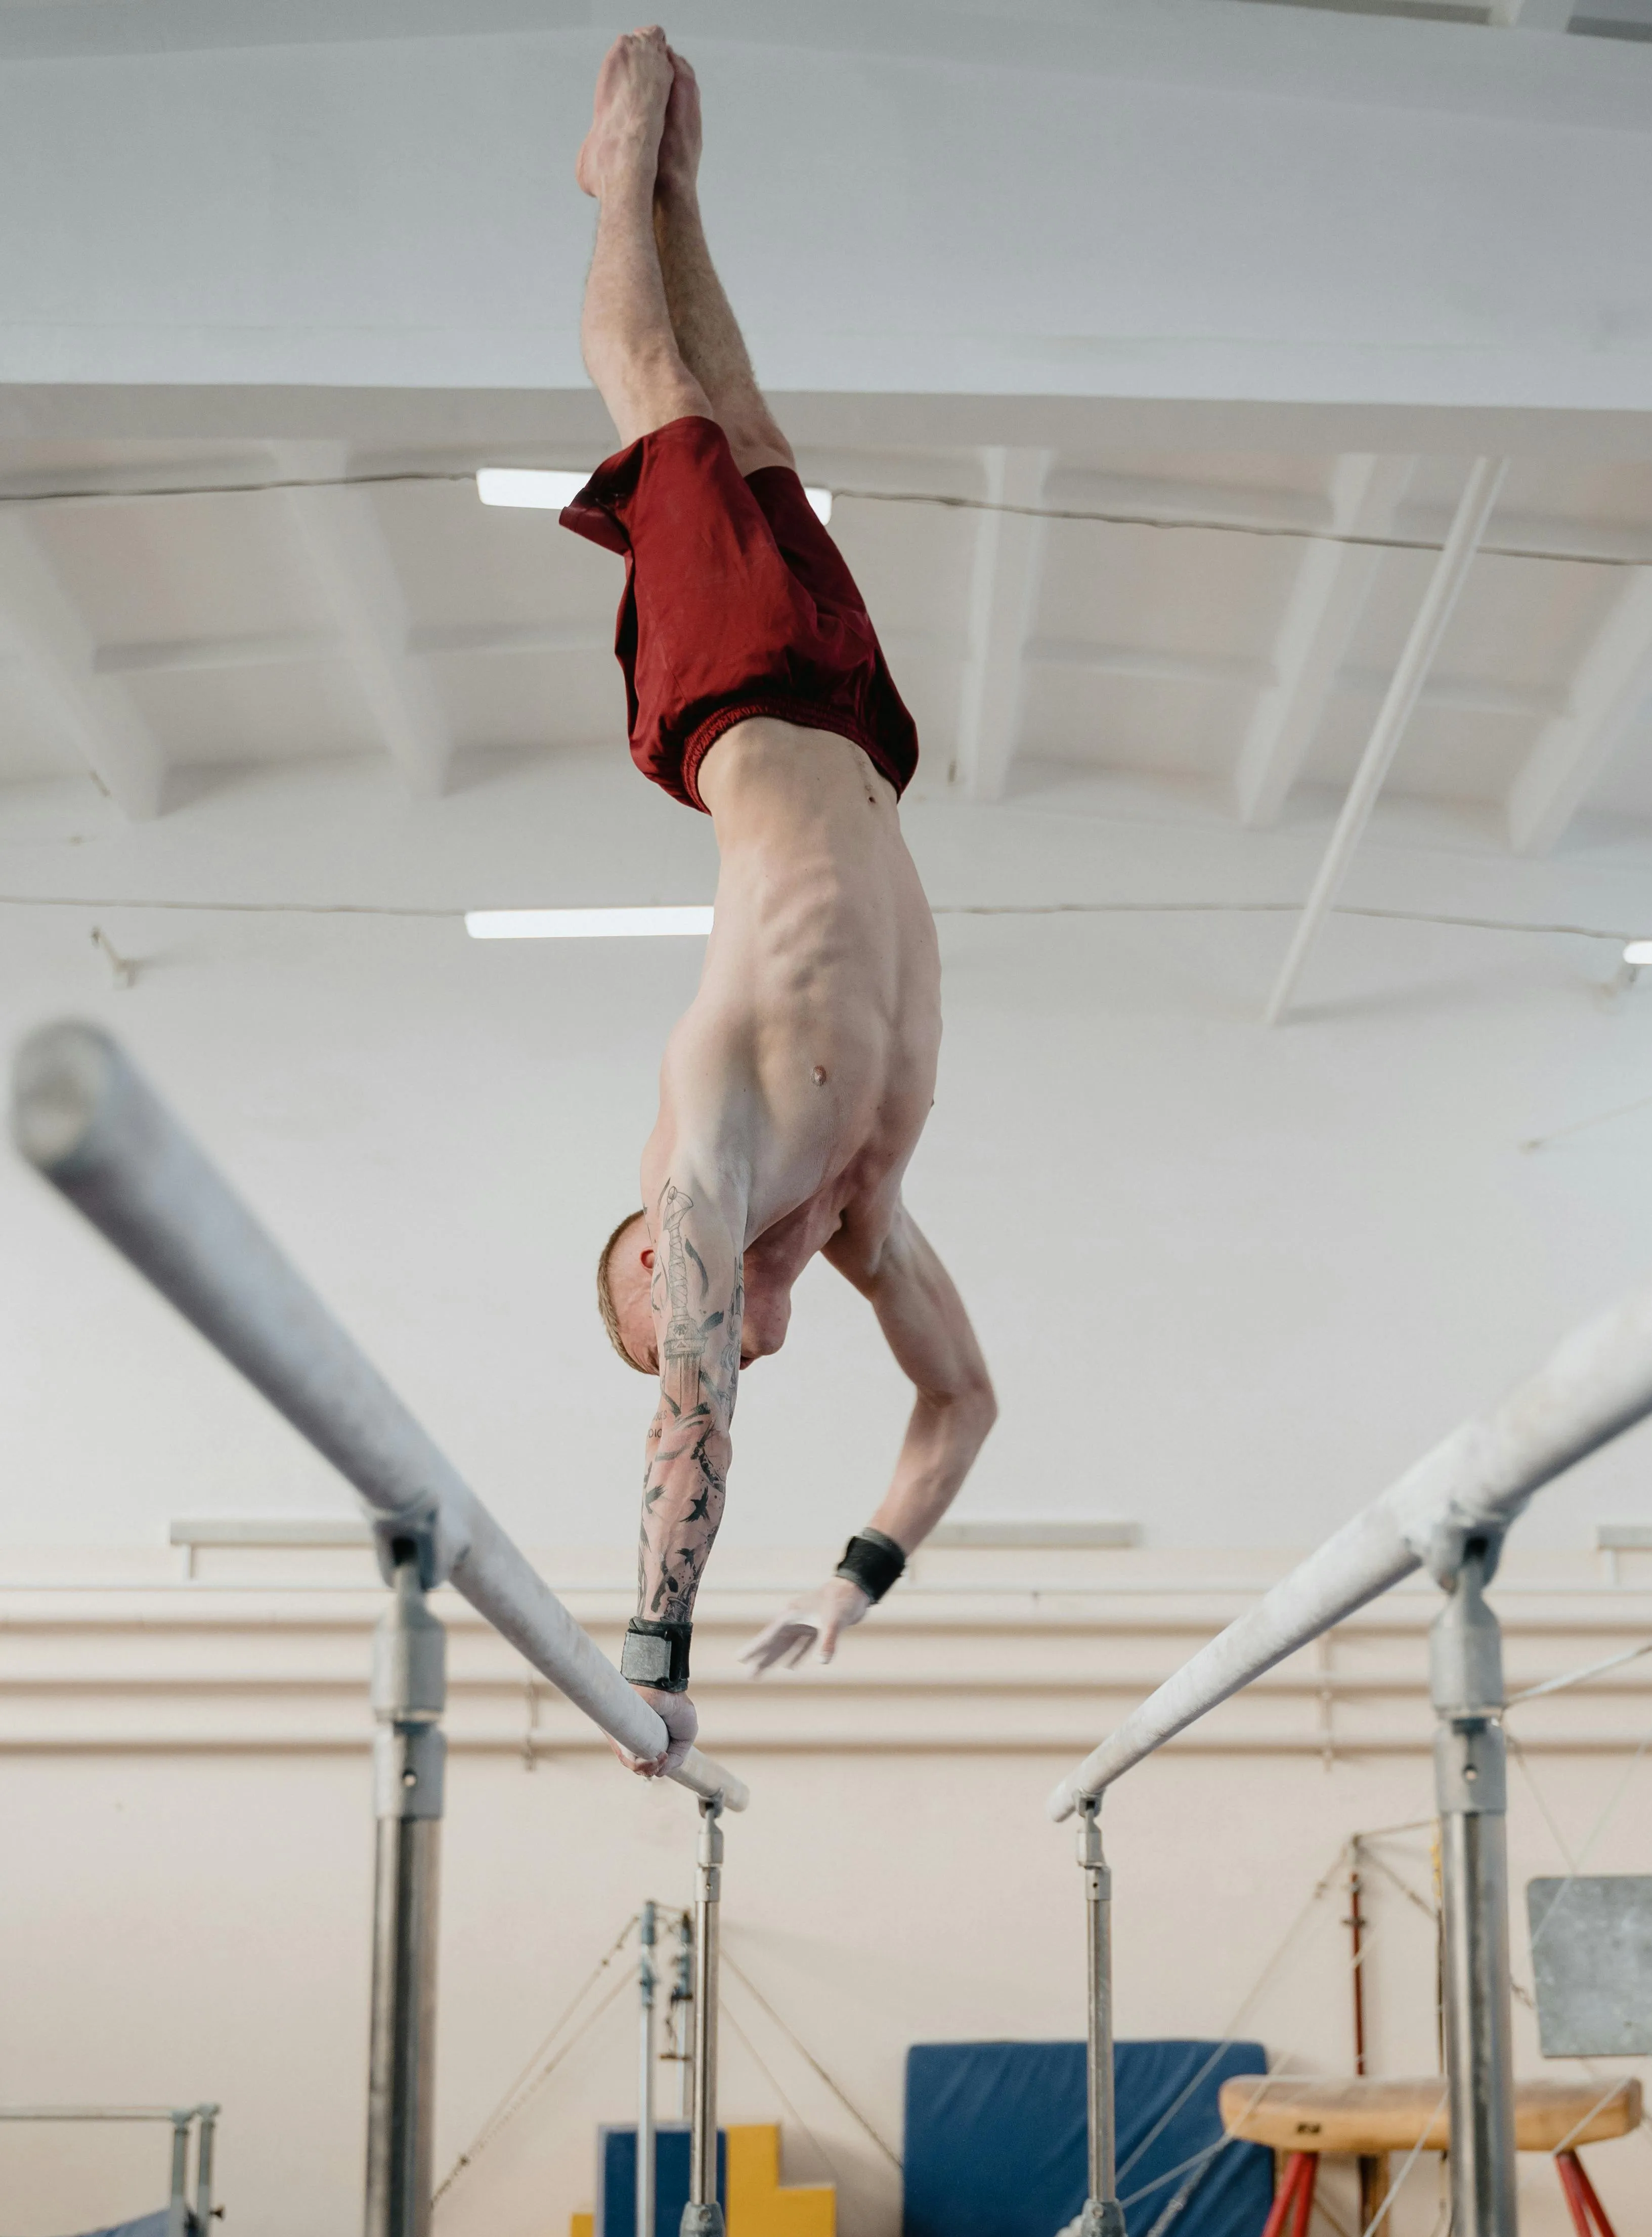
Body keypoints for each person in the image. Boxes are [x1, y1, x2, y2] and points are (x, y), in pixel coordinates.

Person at [568, 30, 996, 1777]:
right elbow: (959, 1402)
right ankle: (679, 193)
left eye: (670, 1315)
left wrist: (653, 1652)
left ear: (654, 1263)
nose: (718, 1343)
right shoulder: (860, 1219)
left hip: (737, 695)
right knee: (751, 435)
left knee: (650, 388)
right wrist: (854, 1581)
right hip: (859, 726)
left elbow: (689, 1418)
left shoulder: (714, 1158)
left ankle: (615, 187)